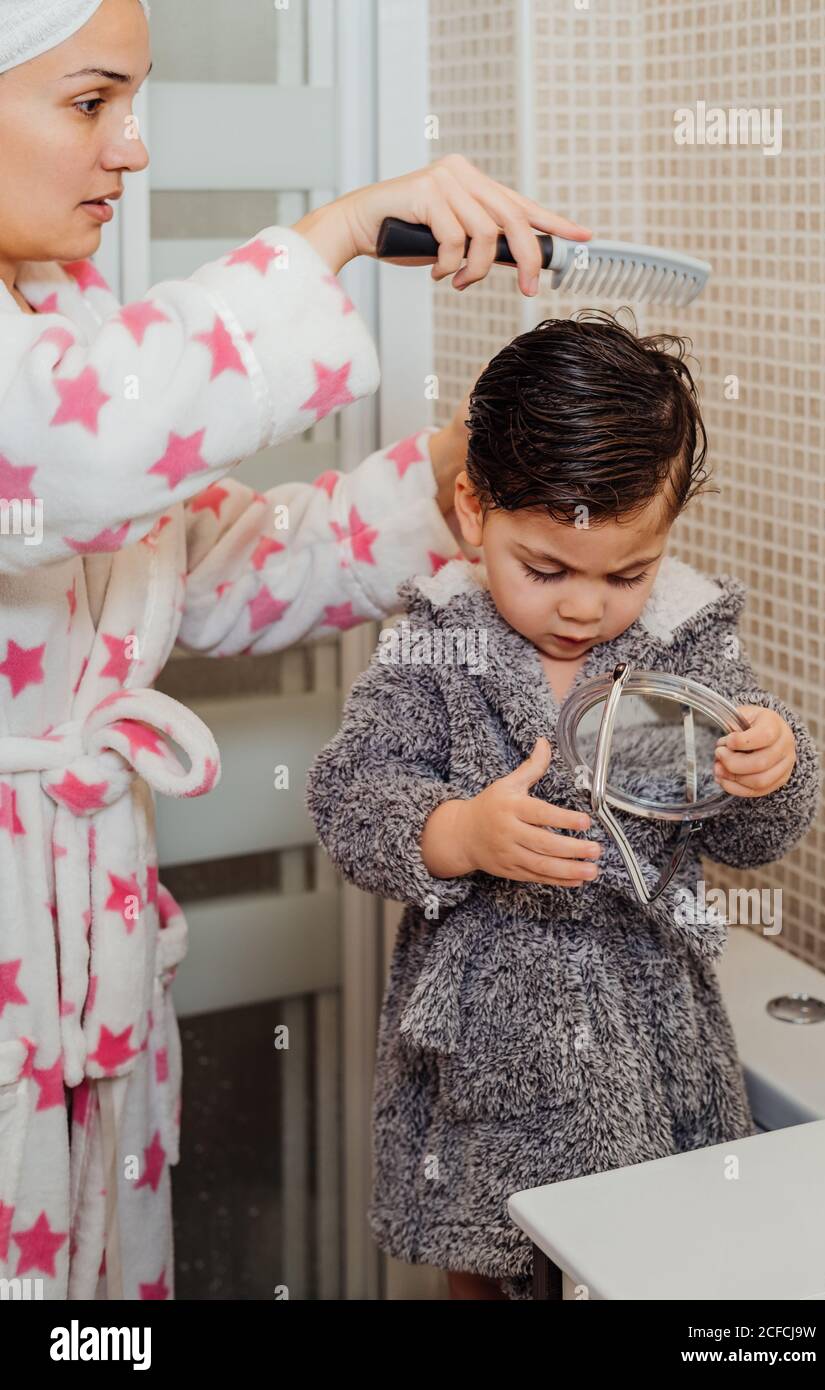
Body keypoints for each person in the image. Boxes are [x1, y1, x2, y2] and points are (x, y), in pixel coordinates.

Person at [0, 0, 593, 1300]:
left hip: (76, 926)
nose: (131, 150)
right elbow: (86, 450)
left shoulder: (54, 325)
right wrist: (331, 232)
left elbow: (221, 573)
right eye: (90, 102)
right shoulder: (56, 391)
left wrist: (456, 470)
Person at [305, 311, 821, 1301]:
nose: (584, 607)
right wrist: (452, 832)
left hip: (651, 1043)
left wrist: (770, 764)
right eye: (544, 569)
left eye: (624, 573)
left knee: (649, 1266)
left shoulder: (684, 642)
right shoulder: (436, 643)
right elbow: (349, 793)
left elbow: (752, 837)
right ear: (470, 510)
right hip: (486, 1050)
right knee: (486, 1267)